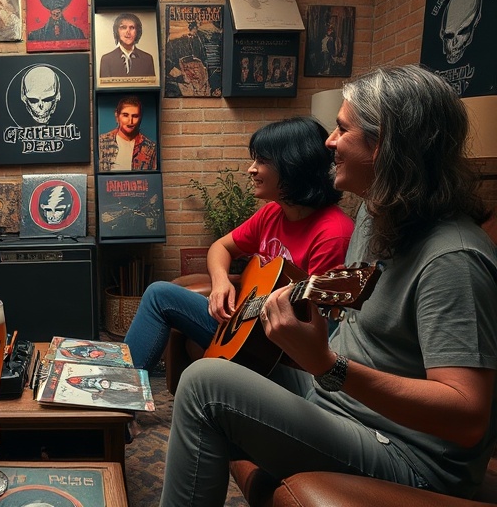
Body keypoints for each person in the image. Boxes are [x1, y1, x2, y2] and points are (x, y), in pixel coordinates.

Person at [161, 65, 497, 505]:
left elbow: (467, 416)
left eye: (342, 129)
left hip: (408, 455)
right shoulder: (376, 216)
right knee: (225, 363)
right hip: (341, 401)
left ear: (385, 146)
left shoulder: (452, 260)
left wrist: (326, 364)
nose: (329, 142)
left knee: (206, 384)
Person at [123, 116, 354, 371]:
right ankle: (123, 394)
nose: (251, 169)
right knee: (159, 294)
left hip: (278, 351)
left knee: (162, 298)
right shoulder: (272, 213)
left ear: (293, 166)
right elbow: (221, 247)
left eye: (262, 161)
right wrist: (221, 282)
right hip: (246, 324)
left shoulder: (333, 233)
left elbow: (320, 327)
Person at [97, 95, 157, 171]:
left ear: (140, 118)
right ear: (117, 116)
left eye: (135, 116)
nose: (130, 121)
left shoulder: (150, 148)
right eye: (125, 115)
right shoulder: (102, 142)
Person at [98, 13, 155, 78]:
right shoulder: (106, 60)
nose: (128, 32)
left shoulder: (147, 59)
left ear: (137, 32)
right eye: (123, 27)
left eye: (132, 28)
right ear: (117, 31)